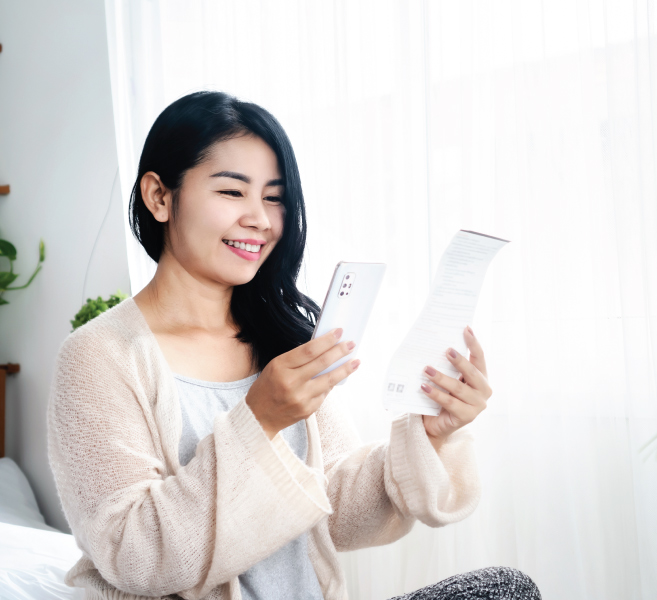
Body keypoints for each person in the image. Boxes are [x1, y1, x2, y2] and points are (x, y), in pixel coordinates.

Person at [46, 91, 541, 600]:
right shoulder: (100, 355)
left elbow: (335, 511)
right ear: (159, 197)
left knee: (506, 589)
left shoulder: (275, 341)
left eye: (275, 197)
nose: (260, 219)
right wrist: (258, 422)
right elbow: (134, 556)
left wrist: (429, 434)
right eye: (233, 193)